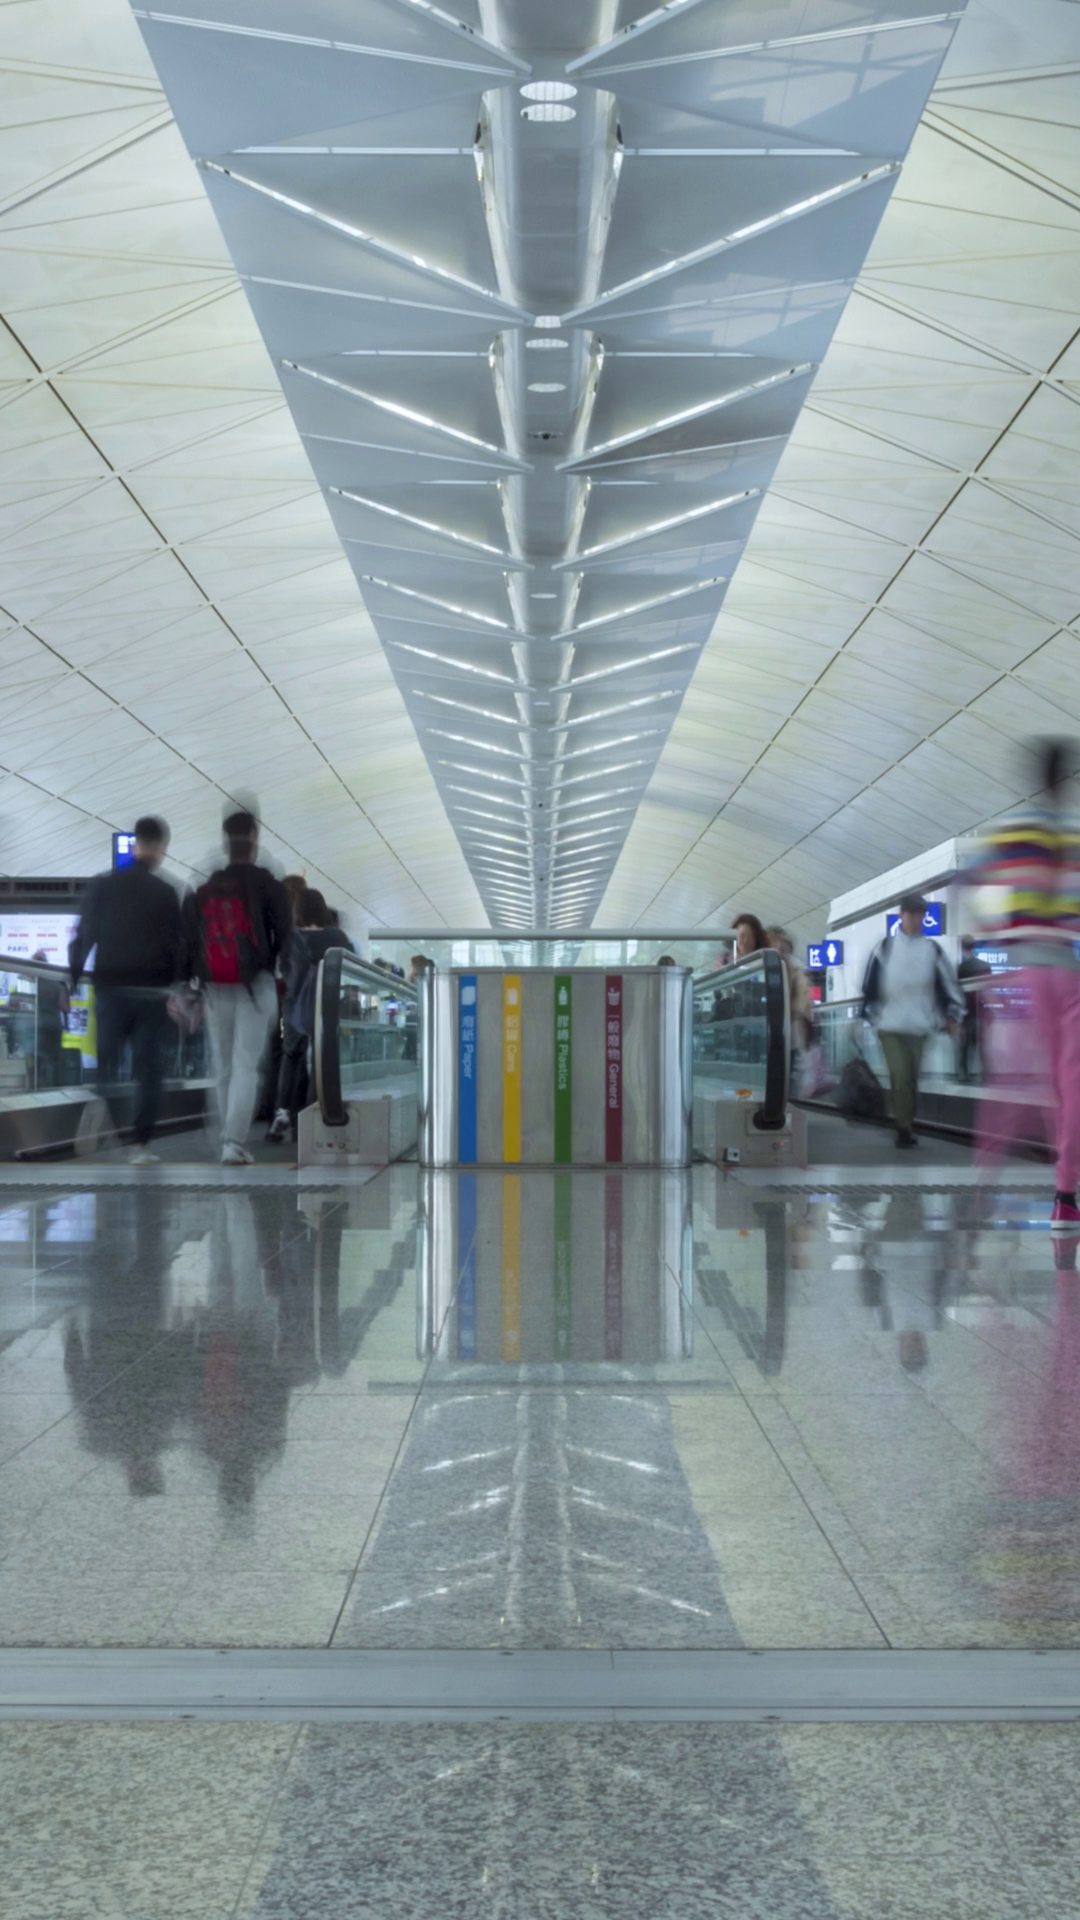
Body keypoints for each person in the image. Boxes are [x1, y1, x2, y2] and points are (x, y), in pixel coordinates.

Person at [964, 739, 1080, 1228]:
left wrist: (998, 932)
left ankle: (982, 1181)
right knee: (1070, 1085)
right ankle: (1065, 1197)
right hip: (1069, 972)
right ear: (1065, 779)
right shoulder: (1073, 835)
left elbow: (967, 882)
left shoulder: (1013, 832)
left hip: (1024, 974)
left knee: (1010, 1081)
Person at [69, 815, 183, 1165]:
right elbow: (179, 946)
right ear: (162, 848)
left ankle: (103, 1113)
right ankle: (140, 1146)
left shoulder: (104, 886)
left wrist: (73, 978)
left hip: (110, 987)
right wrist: (179, 987)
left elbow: (84, 934)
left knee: (106, 1060)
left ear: (135, 844)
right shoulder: (166, 892)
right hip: (152, 993)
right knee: (148, 1071)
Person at [187, 809, 291, 1165]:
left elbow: (190, 939)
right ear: (255, 839)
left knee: (223, 1066)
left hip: (214, 985)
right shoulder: (269, 884)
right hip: (255, 984)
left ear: (225, 841)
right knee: (246, 1064)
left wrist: (191, 985)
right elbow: (285, 937)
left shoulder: (207, 888)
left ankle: (225, 1139)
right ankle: (233, 1142)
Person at [861, 892, 964, 1149]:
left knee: (911, 1080)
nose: (916, 919)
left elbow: (948, 985)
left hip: (919, 1027)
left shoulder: (931, 950)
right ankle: (903, 1129)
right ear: (902, 915)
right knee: (900, 1075)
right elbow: (870, 986)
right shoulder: (885, 948)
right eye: (912, 914)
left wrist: (952, 1016)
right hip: (889, 1026)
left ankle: (905, 1122)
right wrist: (868, 1017)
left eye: (920, 914)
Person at [266, 888, 353, 1142]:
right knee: (321, 1059)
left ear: (298, 911)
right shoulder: (337, 936)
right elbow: (351, 967)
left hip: (293, 1005)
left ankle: (282, 1111)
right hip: (326, 1006)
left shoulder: (289, 937)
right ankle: (314, 1112)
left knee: (291, 1056)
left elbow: (281, 970)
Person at [956, 936, 992, 1083]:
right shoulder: (985, 966)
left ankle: (963, 1074)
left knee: (964, 1047)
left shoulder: (961, 968)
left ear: (962, 948)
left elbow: (957, 993)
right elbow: (988, 991)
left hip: (966, 1013)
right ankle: (985, 1075)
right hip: (981, 1011)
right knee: (983, 1047)